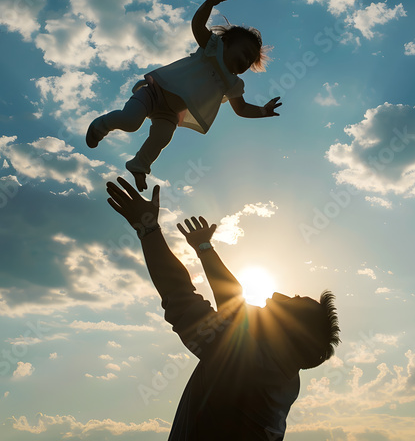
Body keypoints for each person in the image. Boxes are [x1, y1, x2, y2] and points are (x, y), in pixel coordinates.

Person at [105, 178, 340, 440]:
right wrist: (205, 249)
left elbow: (179, 293)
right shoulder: (284, 376)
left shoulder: (242, 363)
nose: (275, 294)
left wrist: (147, 229)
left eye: (290, 300)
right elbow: (234, 303)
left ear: (284, 329)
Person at [88, 0, 282, 191]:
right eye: (243, 52)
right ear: (226, 43)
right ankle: (100, 125)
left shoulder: (233, 83)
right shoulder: (212, 48)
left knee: (161, 138)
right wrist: (210, 2)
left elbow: (241, 109)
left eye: (250, 61)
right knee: (131, 122)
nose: (245, 60)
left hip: (171, 113)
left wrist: (263, 111)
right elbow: (198, 24)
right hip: (155, 92)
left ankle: (139, 165)